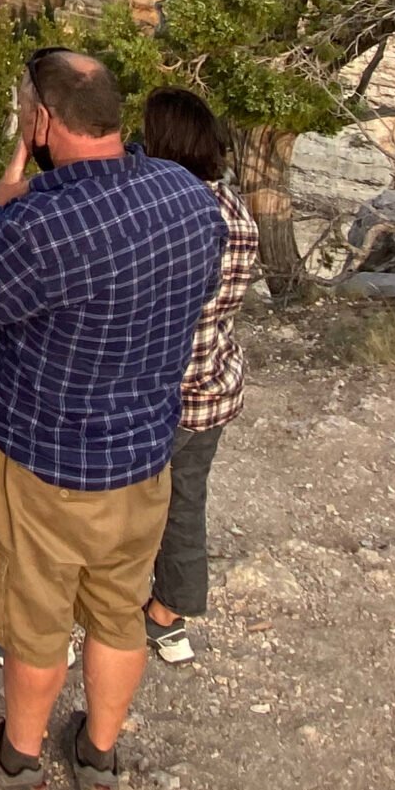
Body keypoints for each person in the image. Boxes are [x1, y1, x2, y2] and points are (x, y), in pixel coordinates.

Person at [0, 48, 225, 790]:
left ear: (43, 120)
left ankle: (18, 764)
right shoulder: (190, 199)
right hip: (142, 459)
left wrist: (3, 190)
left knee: (35, 621)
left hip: (44, 463)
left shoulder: (41, 222)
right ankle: (99, 762)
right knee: (119, 612)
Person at [137, 88, 262, 665]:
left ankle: (89, 611)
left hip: (157, 391)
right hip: (212, 384)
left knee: (116, 503)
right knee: (186, 502)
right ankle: (170, 615)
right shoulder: (236, 211)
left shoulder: (169, 216)